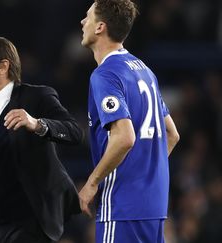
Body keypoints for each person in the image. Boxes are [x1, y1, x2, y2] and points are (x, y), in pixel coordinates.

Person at [0, 31, 84, 243]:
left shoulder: (38, 97)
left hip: (32, 222)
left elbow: (75, 132)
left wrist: (37, 124)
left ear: (3, 66)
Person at [78, 1, 180, 242]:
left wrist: (92, 183)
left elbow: (124, 137)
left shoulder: (105, 74)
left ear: (100, 27)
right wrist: (143, 174)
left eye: (88, 17)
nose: (83, 22)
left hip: (122, 207)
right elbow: (172, 133)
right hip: (154, 206)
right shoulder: (144, 70)